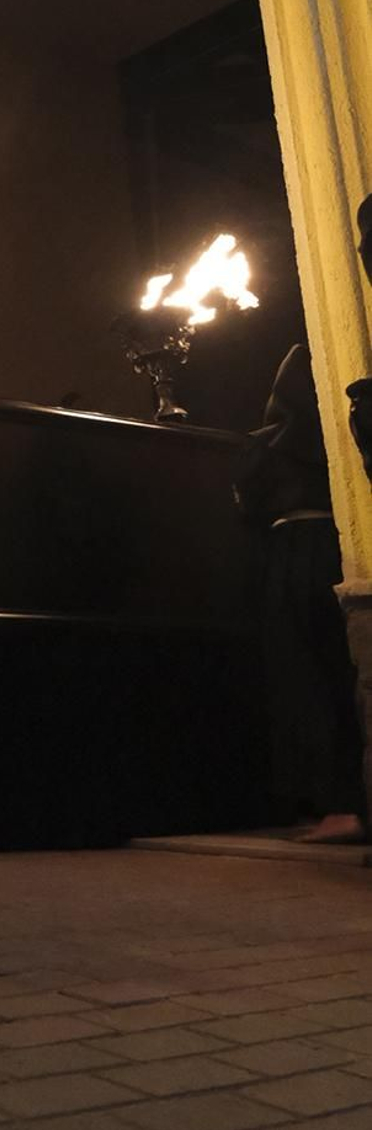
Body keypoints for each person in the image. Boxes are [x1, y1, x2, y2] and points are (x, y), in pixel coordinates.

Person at [237, 344, 364, 841]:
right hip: (336, 542)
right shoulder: (337, 425)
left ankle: (341, 805)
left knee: (309, 675)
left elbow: (251, 497)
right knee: (337, 673)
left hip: (298, 548)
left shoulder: (277, 441)